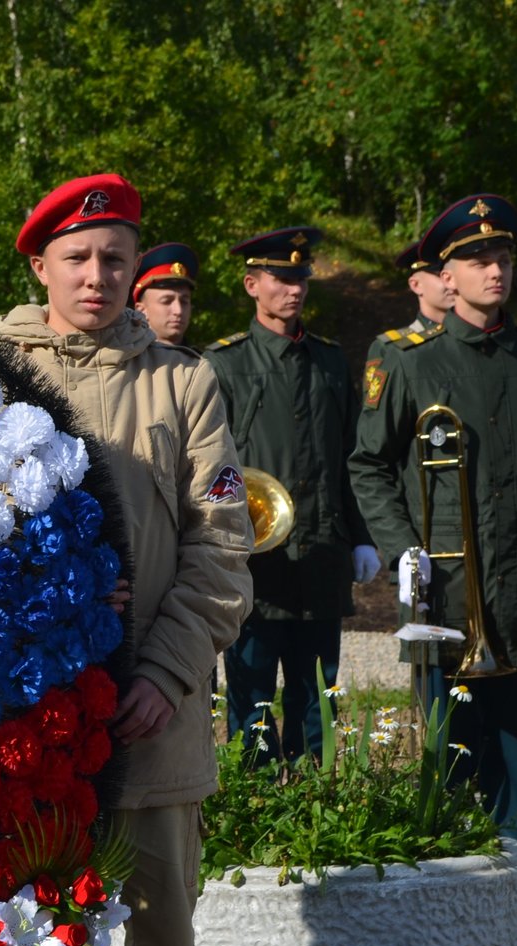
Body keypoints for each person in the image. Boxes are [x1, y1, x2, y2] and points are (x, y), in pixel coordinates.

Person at [0, 174, 253, 946]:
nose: (96, 275)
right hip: (27, 714)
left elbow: (220, 544)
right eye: (76, 257)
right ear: (38, 266)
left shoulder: (183, 381)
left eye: (113, 257)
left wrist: (165, 674)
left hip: (153, 706)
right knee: (24, 912)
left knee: (164, 916)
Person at [347, 195, 517, 907]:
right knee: (452, 733)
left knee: (515, 731)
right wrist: (401, 548)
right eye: (477, 260)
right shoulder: (410, 362)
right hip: (443, 579)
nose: (494, 270)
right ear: (447, 274)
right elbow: (368, 464)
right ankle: (454, 866)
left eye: (502, 257)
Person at [205, 228, 378, 762]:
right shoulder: (224, 363)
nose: (295, 289)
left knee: (317, 703)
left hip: (321, 557)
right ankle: (257, 814)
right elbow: (211, 468)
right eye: (281, 278)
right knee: (252, 703)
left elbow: (352, 455)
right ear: (252, 284)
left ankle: (315, 817)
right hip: (258, 563)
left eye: (301, 278)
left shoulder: (329, 361)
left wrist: (363, 538)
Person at [364, 238, 453, 368]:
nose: (451, 282)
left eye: (454, 275)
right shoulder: (394, 350)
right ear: (416, 285)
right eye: (440, 275)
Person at [131, 242, 200, 347]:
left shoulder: (207, 361)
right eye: (166, 301)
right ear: (141, 310)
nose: (178, 311)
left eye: (184, 302)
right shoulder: (120, 360)